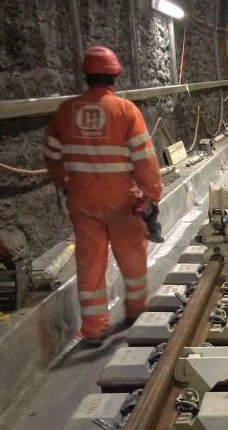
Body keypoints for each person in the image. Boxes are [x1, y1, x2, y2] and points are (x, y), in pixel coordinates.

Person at [44, 46, 162, 346]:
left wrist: (65, 183)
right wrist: (151, 196)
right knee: (133, 257)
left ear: (86, 76)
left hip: (83, 202)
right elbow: (145, 159)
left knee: (90, 263)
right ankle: (136, 310)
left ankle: (94, 327)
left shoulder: (67, 111)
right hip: (122, 202)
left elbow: (52, 155)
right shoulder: (125, 111)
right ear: (114, 76)